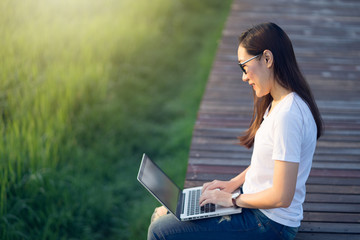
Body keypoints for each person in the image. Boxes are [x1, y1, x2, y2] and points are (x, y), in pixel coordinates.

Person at [147, 22, 323, 240]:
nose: (244, 76)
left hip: (270, 223)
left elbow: (282, 196)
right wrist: (233, 184)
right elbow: (269, 164)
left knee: (160, 231)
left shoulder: (288, 115)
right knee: (167, 213)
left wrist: (231, 200)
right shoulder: (278, 104)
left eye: (244, 66)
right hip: (258, 210)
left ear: (267, 59)